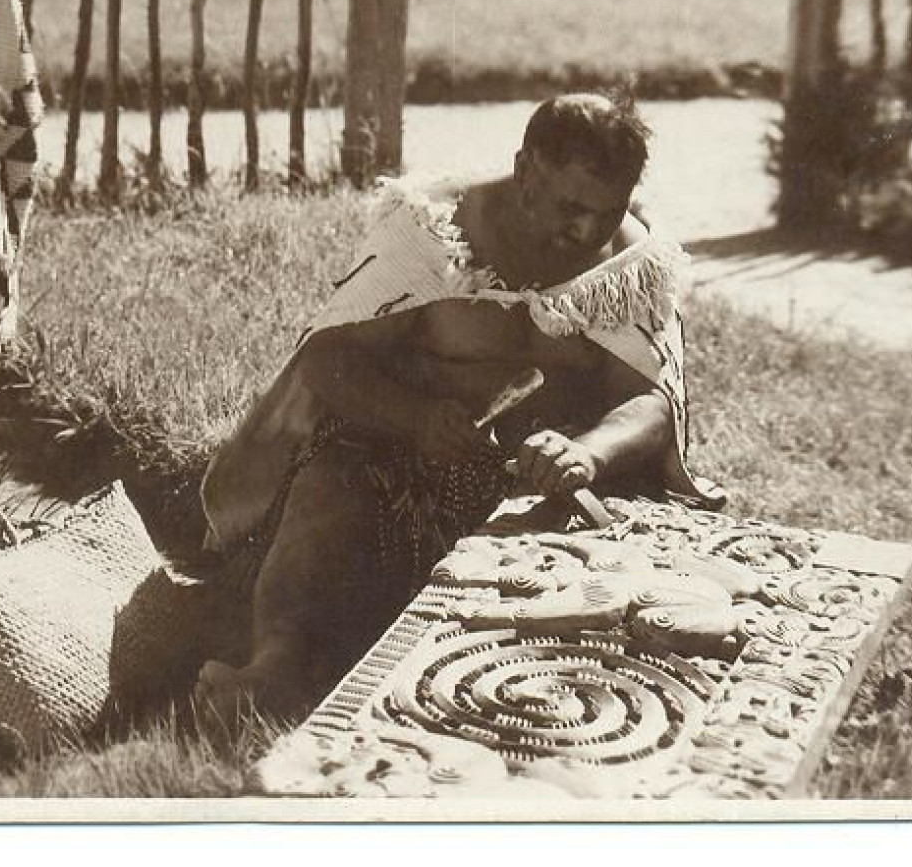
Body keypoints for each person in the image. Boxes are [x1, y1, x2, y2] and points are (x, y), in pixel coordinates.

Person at [195, 93, 723, 720]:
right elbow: (328, 361)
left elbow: (651, 402)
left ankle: (556, 705)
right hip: (409, 455)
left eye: (607, 212)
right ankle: (276, 669)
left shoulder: (633, 260)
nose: (585, 231)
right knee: (330, 487)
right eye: (571, 207)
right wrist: (414, 417)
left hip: (548, 481)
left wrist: (586, 451)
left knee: (621, 592)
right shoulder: (432, 230)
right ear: (524, 169)